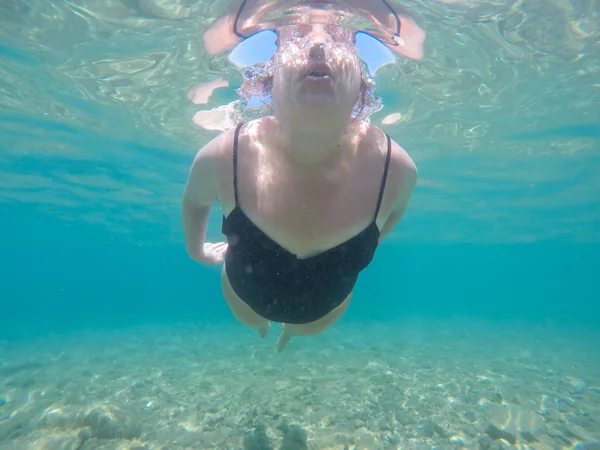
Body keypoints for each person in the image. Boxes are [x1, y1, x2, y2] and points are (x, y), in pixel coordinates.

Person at [182, 17, 418, 352]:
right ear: (270, 82)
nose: (319, 45)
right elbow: (194, 202)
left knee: (299, 330)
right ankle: (266, 326)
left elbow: (384, 225)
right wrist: (198, 251)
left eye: (338, 39)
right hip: (245, 303)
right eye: (297, 36)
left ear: (361, 86)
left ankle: (288, 333)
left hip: (319, 318)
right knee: (254, 321)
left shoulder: (397, 169)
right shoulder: (224, 154)